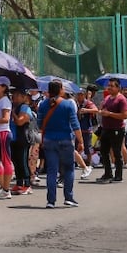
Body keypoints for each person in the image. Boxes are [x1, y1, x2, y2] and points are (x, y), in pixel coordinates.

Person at [38, 79, 83, 209]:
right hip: (65, 139)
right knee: (68, 169)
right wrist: (81, 141)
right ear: (60, 90)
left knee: (52, 171)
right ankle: (68, 197)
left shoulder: (43, 105)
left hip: (49, 140)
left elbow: (40, 124)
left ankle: (50, 201)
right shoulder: (68, 105)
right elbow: (75, 125)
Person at [96, 78, 127, 183]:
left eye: (111, 86)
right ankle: (107, 173)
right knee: (103, 151)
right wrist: (102, 111)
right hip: (106, 129)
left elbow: (125, 115)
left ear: (118, 88)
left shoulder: (121, 99)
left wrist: (110, 114)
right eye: (108, 85)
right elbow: (102, 109)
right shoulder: (107, 98)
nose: (109, 87)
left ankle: (118, 176)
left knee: (116, 152)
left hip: (117, 129)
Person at [8, 87, 34, 195]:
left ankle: (27, 184)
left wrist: (13, 113)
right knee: (16, 161)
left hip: (22, 138)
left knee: (22, 161)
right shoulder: (13, 106)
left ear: (23, 97)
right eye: (13, 94)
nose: (14, 97)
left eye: (17, 95)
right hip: (13, 138)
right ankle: (19, 183)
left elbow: (20, 122)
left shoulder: (25, 108)